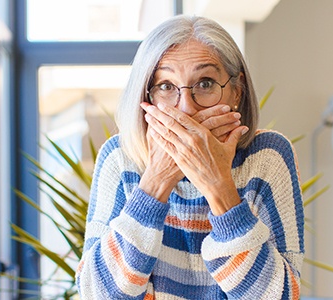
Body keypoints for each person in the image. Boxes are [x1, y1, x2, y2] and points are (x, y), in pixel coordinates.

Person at [75, 15, 304, 299]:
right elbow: (98, 295)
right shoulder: (120, 159)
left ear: (237, 90)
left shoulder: (268, 156)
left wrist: (218, 186)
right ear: (145, 97)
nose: (185, 108)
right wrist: (157, 181)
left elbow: (279, 296)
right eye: (166, 86)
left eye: (205, 83)